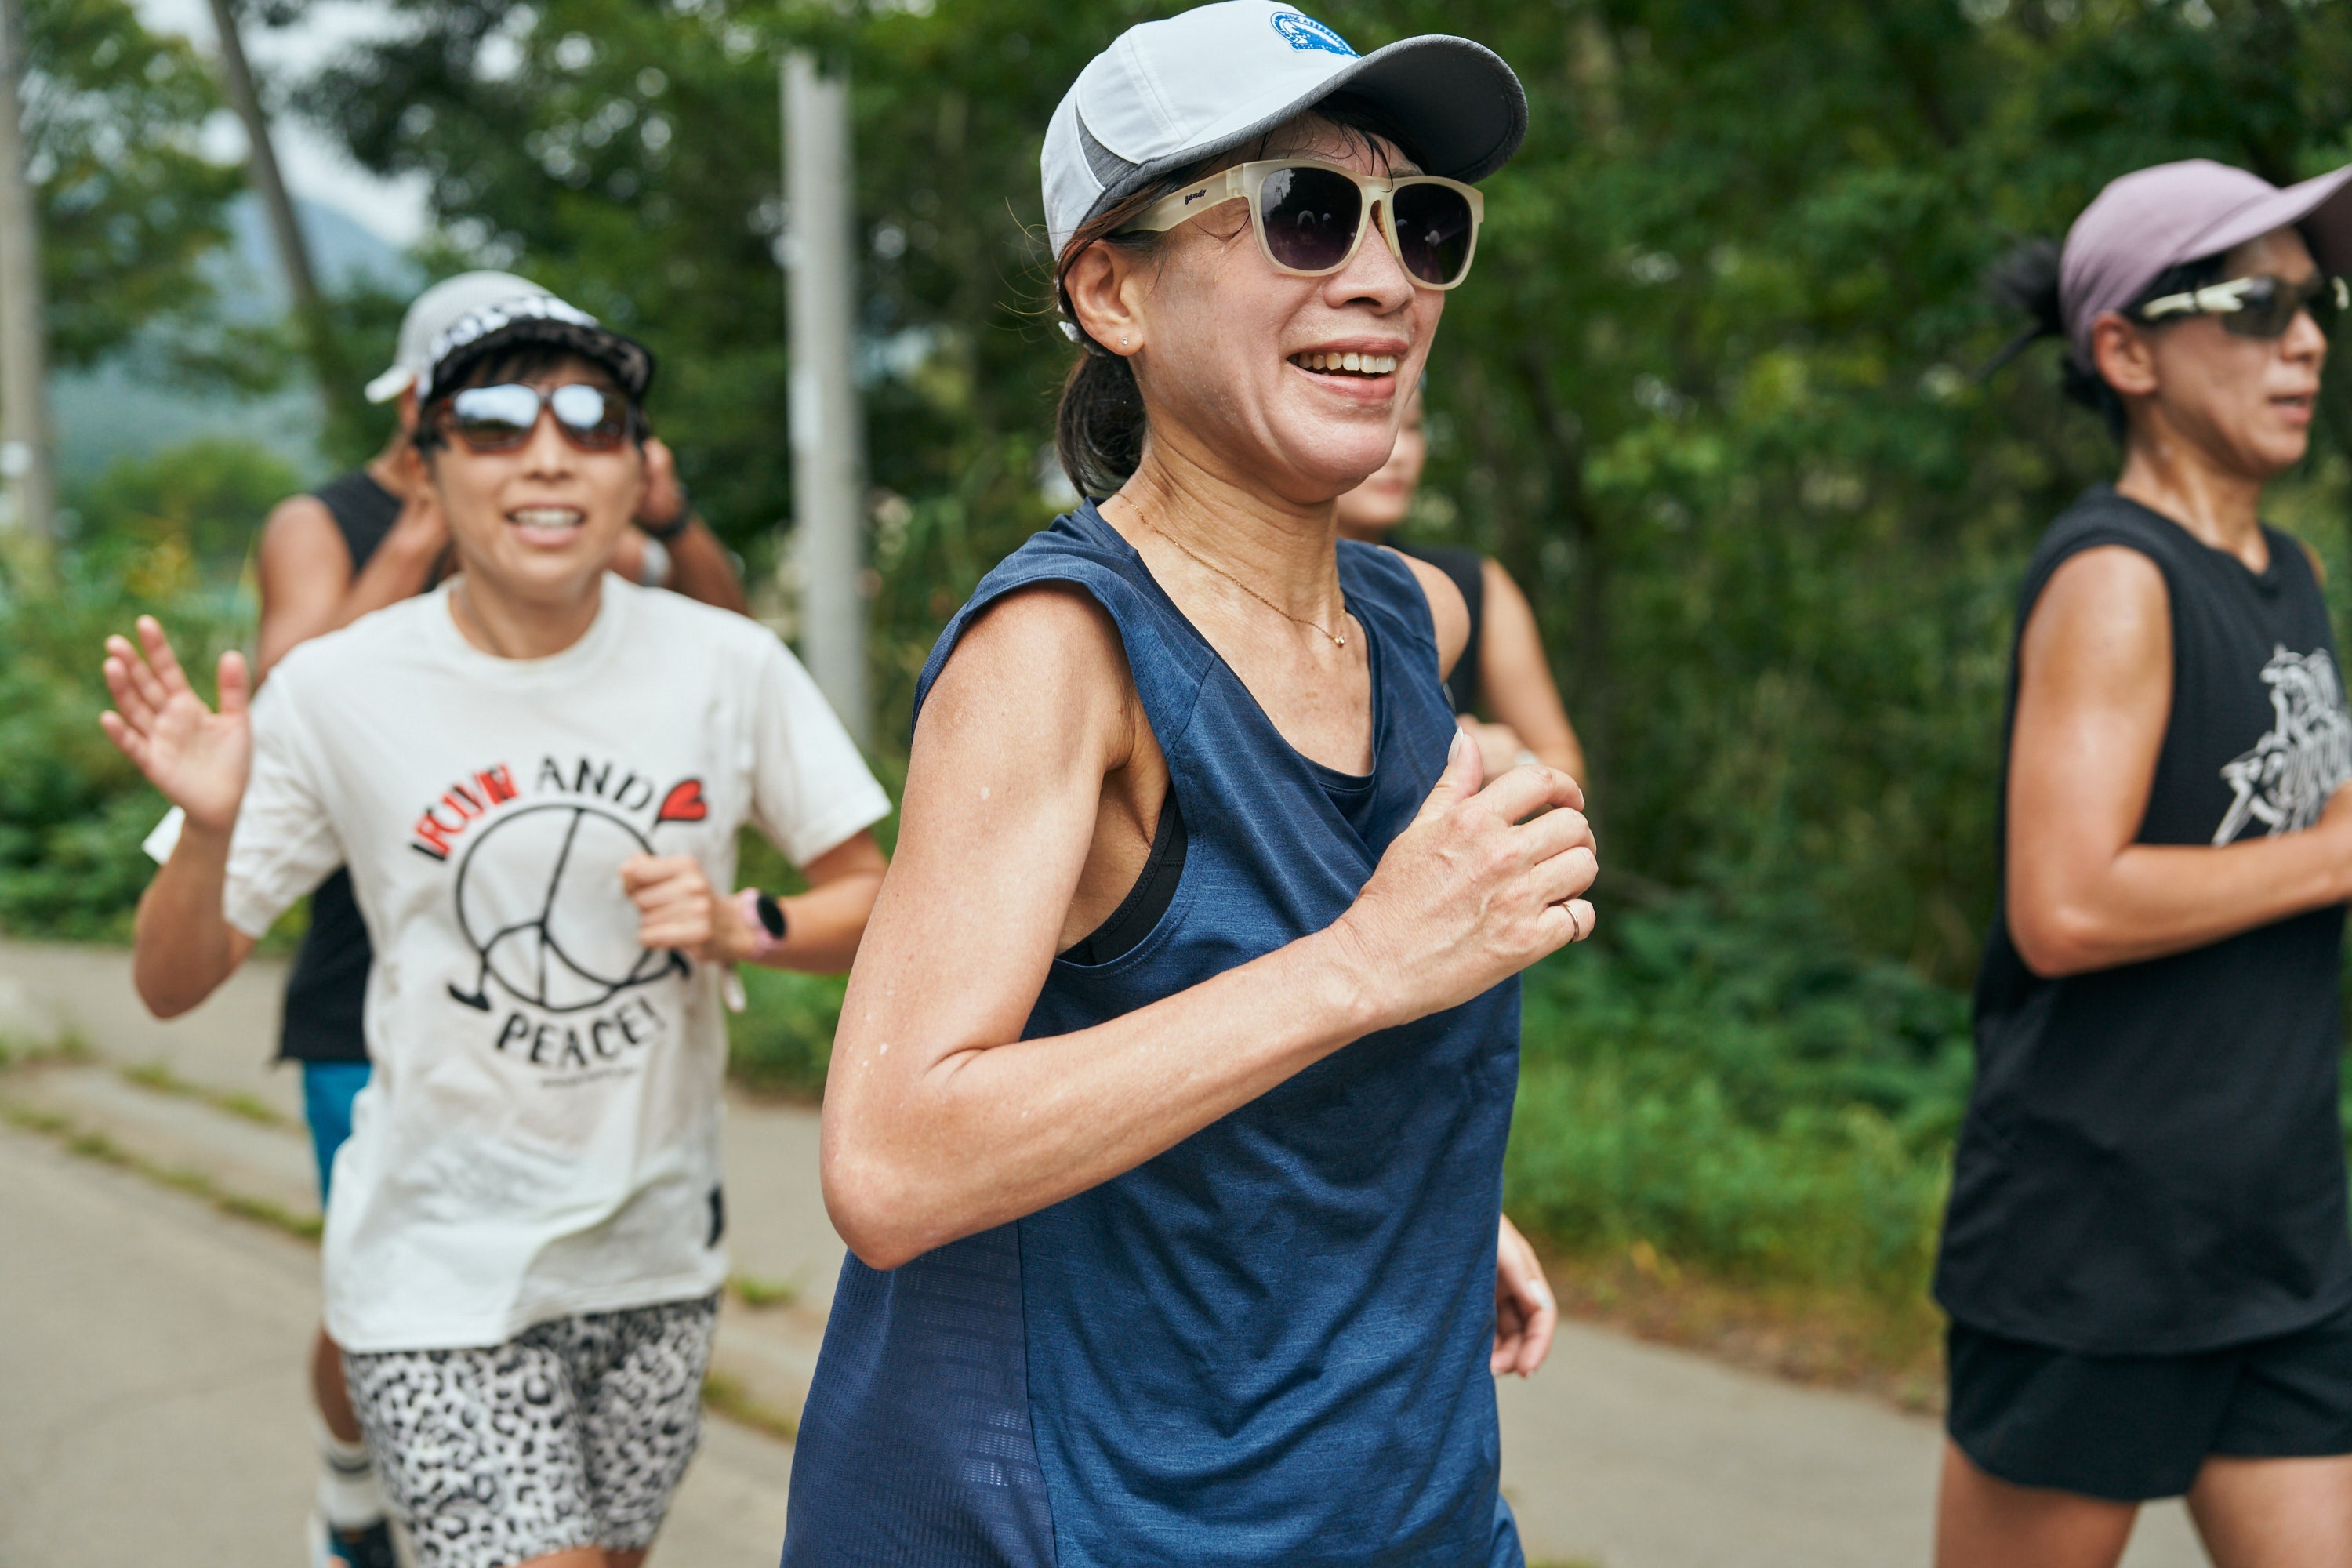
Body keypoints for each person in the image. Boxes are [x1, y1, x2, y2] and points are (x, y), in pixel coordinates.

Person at [782, 5, 1594, 1564]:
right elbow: (891, 1159)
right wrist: (1365, 969)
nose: (1383, 279)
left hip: (1404, 1498)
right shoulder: (1061, 654)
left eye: (1420, 224)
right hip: (1092, 1519)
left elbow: (1241, 1033)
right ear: (1112, 287)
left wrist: (1405, 1202)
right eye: (1304, 212)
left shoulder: (1416, 625)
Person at [103, 290, 891, 1568]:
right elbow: (169, 983)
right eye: (493, 423)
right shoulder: (339, 689)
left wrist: (746, 920)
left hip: (654, 1255)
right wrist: (205, 831)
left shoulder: (725, 666)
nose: (546, 453)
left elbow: (875, 894)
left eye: (591, 423)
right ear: (428, 468)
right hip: (434, 1267)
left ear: (639, 471)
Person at [1935, 159, 2352, 1568]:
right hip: (2094, 1244)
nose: (2304, 338)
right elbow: (2066, 905)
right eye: (2256, 303)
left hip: (2278, 1234)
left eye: (2319, 303)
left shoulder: (2287, 572)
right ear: (2125, 350)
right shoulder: (2116, 578)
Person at [1335, 383, 1588, 783]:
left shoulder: (1472, 582)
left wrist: (1511, 763)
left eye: (1414, 425)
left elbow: (1565, 765)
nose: (1398, 453)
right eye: (1369, 417)